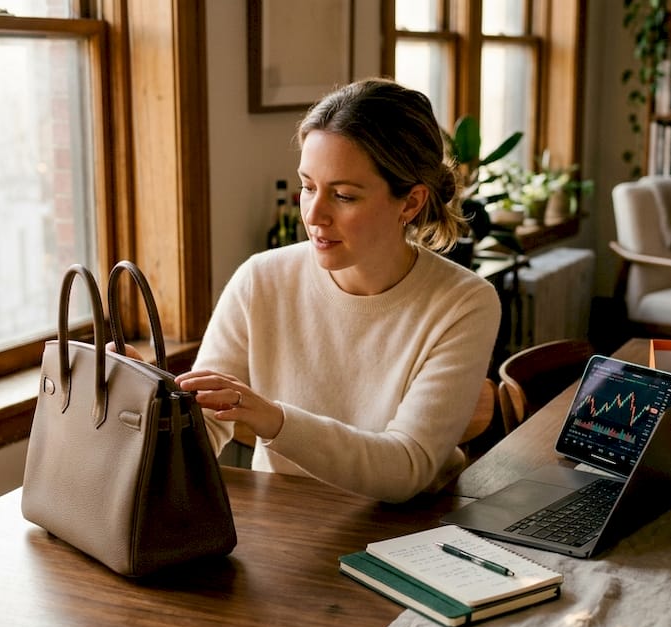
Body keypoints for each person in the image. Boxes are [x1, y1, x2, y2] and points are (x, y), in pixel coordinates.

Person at [178, 78, 501, 502]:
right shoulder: (260, 280)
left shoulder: (464, 303)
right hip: (284, 527)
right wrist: (138, 406)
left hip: (408, 535)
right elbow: (200, 430)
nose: (314, 214)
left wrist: (275, 421)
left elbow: (407, 467)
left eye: (344, 195)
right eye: (308, 186)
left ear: (410, 202)